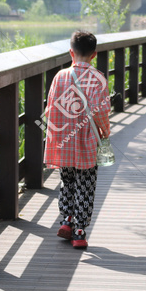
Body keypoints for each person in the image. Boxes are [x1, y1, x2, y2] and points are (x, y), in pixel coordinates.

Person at [43, 30, 112, 249]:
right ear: (94, 55)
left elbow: (50, 109)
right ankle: (80, 232)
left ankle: (66, 219)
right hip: (87, 141)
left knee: (66, 180)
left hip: (64, 140)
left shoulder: (60, 76)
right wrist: (105, 131)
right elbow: (102, 112)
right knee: (86, 184)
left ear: (71, 53)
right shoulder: (98, 78)